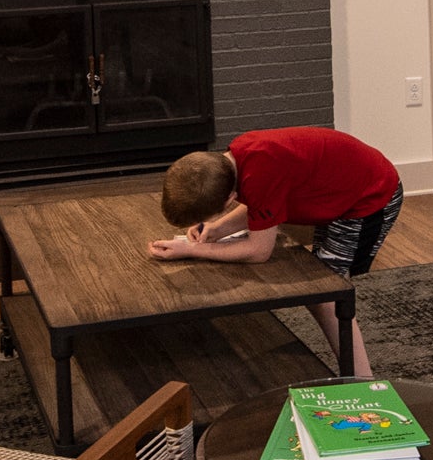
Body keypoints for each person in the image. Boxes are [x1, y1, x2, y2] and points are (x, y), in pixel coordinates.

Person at [150, 126, 403, 375]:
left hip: (370, 197)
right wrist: (216, 229)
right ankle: (354, 367)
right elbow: (263, 201)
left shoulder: (261, 172)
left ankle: (362, 380)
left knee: (329, 292)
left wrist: (193, 250)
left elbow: (258, 251)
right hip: (341, 187)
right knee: (324, 286)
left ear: (229, 199)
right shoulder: (238, 159)